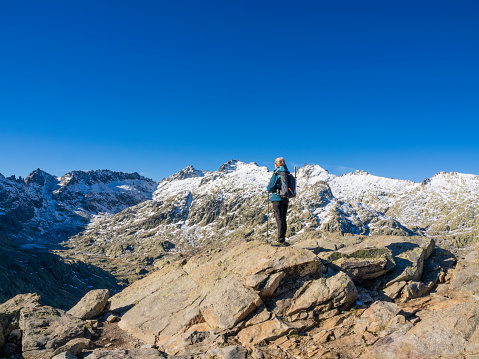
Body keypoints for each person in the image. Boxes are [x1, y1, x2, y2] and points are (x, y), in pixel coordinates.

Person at [266, 157, 290, 245]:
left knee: (279, 219)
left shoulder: (277, 173)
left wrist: (268, 187)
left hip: (277, 198)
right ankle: (283, 239)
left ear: (276, 164)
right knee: (283, 219)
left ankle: (280, 240)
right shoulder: (286, 173)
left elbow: (271, 186)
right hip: (285, 198)